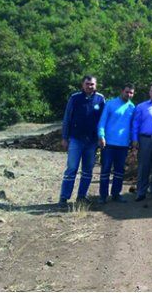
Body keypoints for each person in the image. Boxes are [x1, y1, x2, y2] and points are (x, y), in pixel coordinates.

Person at [59, 75, 106, 206]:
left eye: (92, 84)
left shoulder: (100, 99)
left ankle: (81, 196)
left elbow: (103, 120)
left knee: (87, 170)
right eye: (87, 84)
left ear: (95, 85)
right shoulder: (74, 98)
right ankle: (64, 197)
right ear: (82, 85)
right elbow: (67, 118)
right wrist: (64, 137)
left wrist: (101, 137)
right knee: (72, 168)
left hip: (91, 142)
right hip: (76, 139)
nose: (89, 86)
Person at [97, 83, 136, 204]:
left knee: (119, 171)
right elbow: (102, 121)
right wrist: (101, 136)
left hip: (123, 144)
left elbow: (132, 126)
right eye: (127, 92)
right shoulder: (110, 104)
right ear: (122, 91)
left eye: (131, 93)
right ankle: (103, 196)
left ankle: (116, 194)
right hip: (108, 143)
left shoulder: (132, 107)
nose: (129, 94)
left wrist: (133, 141)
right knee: (106, 170)